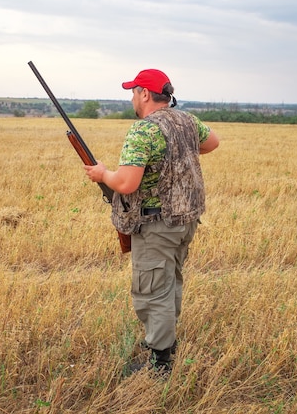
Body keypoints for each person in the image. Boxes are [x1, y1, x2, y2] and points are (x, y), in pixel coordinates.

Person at [84, 69, 219, 374]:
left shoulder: (143, 130)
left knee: (151, 290)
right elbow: (213, 143)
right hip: (186, 220)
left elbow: (127, 183)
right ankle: (164, 339)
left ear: (145, 93)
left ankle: (160, 362)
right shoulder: (187, 120)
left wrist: (102, 174)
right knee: (170, 281)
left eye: (134, 92)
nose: (133, 97)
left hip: (157, 225)